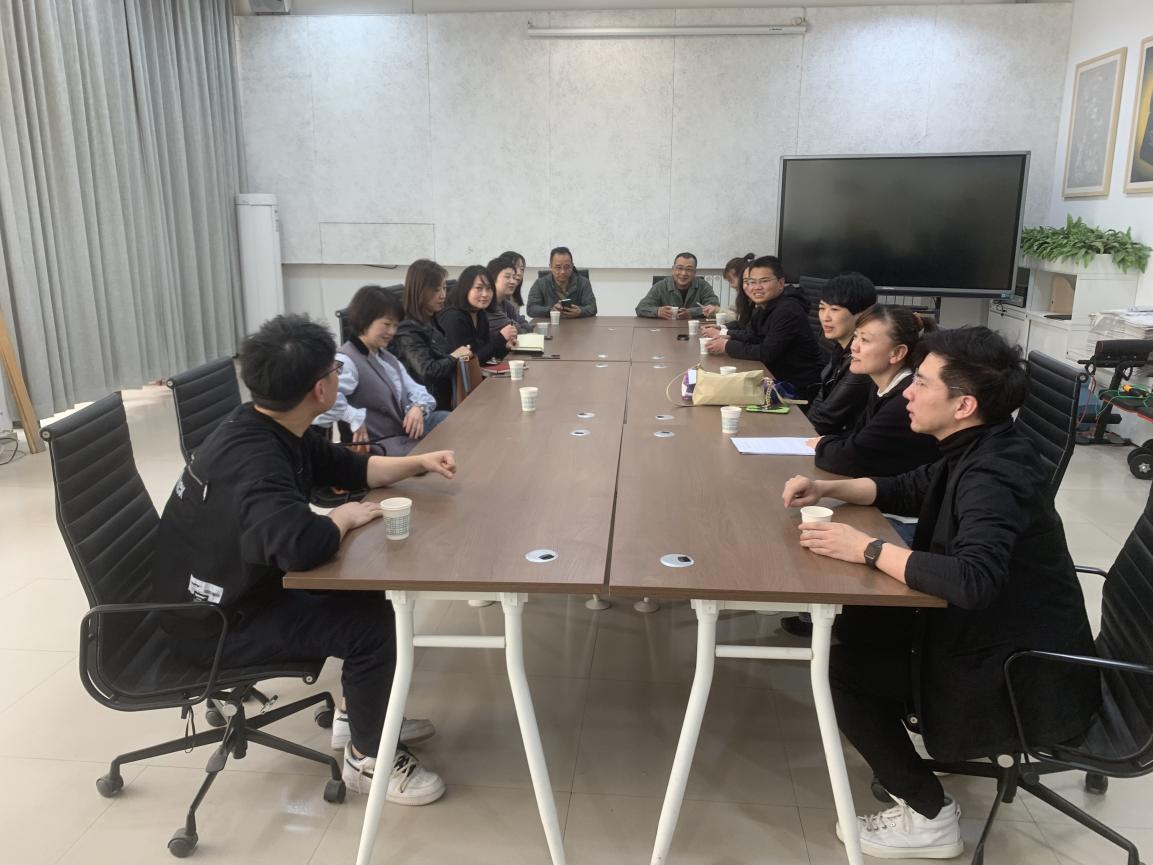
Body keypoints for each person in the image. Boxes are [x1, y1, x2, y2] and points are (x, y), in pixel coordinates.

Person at [781, 326, 1099, 859]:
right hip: (1002, 633)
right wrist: (829, 488)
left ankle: (929, 817)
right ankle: (916, 749)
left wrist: (866, 549)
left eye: (923, 383)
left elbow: (973, 579)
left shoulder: (994, 473)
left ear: (963, 405)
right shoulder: (978, 444)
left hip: (1019, 668)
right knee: (862, 625)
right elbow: (911, 487)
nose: (908, 391)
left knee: (843, 672)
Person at [152, 314, 459, 803]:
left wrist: (417, 463)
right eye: (336, 369)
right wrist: (343, 518)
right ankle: (367, 759)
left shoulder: (269, 424)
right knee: (371, 626)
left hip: (239, 583)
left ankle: (359, 716)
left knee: (369, 590)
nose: (339, 375)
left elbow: (348, 466)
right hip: (216, 623)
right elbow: (303, 546)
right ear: (320, 390)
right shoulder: (258, 463)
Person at [314, 285, 451, 456]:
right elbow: (326, 401)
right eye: (386, 324)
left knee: (452, 422)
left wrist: (418, 408)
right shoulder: (346, 360)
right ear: (365, 320)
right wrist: (354, 417)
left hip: (402, 435)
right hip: (379, 444)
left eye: (395, 325)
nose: (392, 332)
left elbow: (417, 390)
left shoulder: (386, 357)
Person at [811, 306, 939, 478]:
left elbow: (849, 458)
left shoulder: (906, 399)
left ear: (897, 353)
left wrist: (823, 443)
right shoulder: (880, 385)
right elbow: (857, 438)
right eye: (855, 336)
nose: (854, 347)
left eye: (865, 340)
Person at [703, 255, 824, 401]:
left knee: (720, 395)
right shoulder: (764, 305)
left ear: (781, 283)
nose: (756, 287)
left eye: (764, 281)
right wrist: (727, 336)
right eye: (751, 282)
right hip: (772, 377)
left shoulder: (788, 310)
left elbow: (766, 353)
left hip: (793, 388)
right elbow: (752, 335)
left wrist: (726, 346)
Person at [392, 259, 472, 412]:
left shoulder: (431, 318)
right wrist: (454, 356)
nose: (442, 295)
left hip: (448, 398)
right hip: (427, 407)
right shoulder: (407, 328)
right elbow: (427, 371)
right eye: (436, 290)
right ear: (420, 291)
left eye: (444, 288)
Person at [807, 272, 878, 436]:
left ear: (863, 314)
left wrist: (799, 434)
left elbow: (826, 418)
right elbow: (821, 400)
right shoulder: (840, 348)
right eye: (822, 308)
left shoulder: (863, 359)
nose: (825, 317)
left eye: (835, 309)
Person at [439, 265, 517, 363]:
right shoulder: (452, 318)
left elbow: (486, 352)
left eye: (489, 288)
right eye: (479, 288)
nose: (485, 294)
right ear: (465, 289)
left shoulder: (480, 314)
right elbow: (469, 360)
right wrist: (500, 338)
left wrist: (505, 346)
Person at [635, 252, 720, 319]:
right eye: (680, 268)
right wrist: (658, 311)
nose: (683, 273)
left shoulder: (703, 286)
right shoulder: (661, 286)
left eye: (689, 269)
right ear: (673, 270)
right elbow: (640, 308)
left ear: (695, 272)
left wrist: (691, 313)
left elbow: (714, 307)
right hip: (666, 330)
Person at [526, 246, 597, 318]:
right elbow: (531, 309)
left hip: (577, 324)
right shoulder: (540, 284)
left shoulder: (583, 282)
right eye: (558, 267)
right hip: (551, 324)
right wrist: (550, 311)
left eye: (567, 267)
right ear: (550, 267)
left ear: (572, 266)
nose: (563, 272)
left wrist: (580, 312)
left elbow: (593, 308)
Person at [486, 255, 534, 335]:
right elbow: (515, 330)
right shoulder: (488, 305)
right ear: (493, 279)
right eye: (507, 277)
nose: (513, 282)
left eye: (514, 278)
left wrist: (521, 326)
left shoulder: (506, 303)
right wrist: (521, 327)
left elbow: (523, 322)